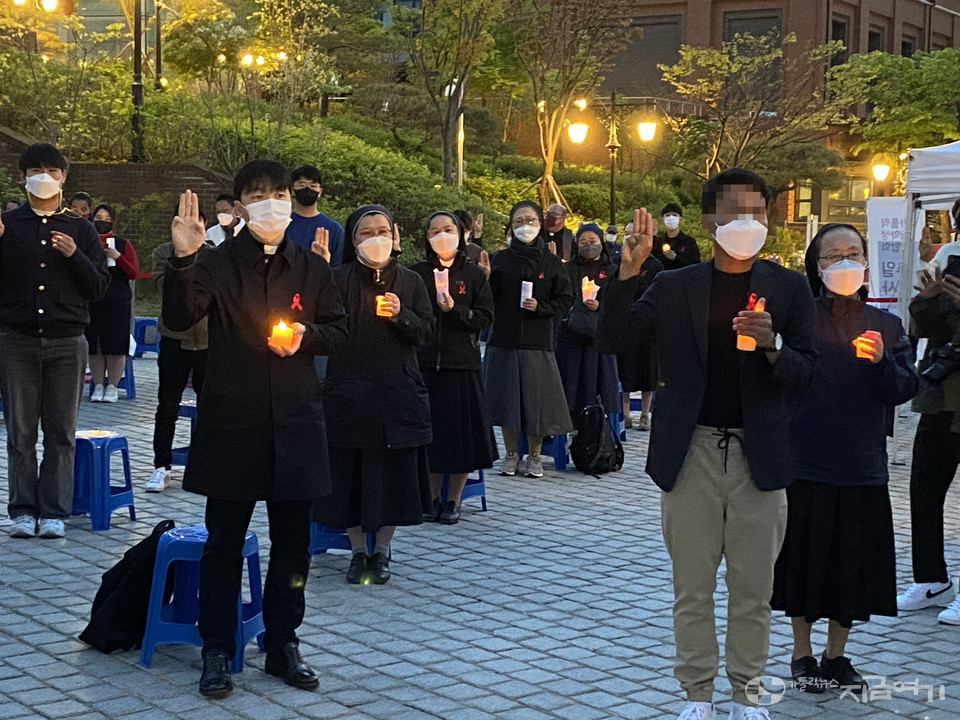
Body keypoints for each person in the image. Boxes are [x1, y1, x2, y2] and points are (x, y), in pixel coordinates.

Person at [597, 168, 817, 720]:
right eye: (734, 211)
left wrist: (774, 345)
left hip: (760, 454)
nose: (748, 222)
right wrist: (626, 269)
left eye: (758, 211)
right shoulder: (675, 286)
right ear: (707, 221)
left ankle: (747, 695)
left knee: (753, 591)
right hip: (690, 449)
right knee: (691, 588)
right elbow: (613, 339)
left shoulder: (787, 287)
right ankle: (697, 696)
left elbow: (808, 373)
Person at [163, 160, 348, 698]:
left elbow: (337, 329)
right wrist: (184, 257)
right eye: (258, 194)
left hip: (296, 420)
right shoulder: (217, 265)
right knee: (223, 541)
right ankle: (218, 646)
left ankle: (283, 640)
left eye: (279, 193)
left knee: (293, 543)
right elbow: (179, 319)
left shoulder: (312, 268)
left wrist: (306, 335)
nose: (271, 202)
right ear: (241, 205)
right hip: (233, 422)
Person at [771, 223, 917, 694]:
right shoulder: (799, 317)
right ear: (816, 266)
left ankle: (836, 655)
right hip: (805, 458)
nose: (844, 263)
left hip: (861, 465)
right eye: (832, 256)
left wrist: (883, 363)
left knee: (849, 565)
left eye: (853, 253)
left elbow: (903, 390)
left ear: (868, 262)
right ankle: (801, 652)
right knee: (801, 560)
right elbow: (784, 376)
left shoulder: (887, 325)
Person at [316, 204, 435, 584]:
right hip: (348, 392)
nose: (375, 239)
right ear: (353, 241)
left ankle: (381, 550)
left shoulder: (412, 281)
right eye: (366, 233)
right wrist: (316, 274)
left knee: (391, 476)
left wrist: (402, 315)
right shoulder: (336, 278)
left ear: (395, 236)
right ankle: (356, 551)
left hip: (396, 391)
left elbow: (427, 332)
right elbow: (321, 328)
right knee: (348, 475)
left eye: (382, 231)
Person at [0, 143, 110, 539]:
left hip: (67, 341)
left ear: (64, 176)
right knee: (21, 431)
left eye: (52, 170)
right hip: (17, 340)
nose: (44, 176)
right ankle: (22, 510)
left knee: (61, 432)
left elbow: (99, 286)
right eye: (35, 170)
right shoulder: (8, 224)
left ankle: (54, 511)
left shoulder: (81, 227)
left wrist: (75, 255)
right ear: (23, 177)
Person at [410, 211, 496, 524]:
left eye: (448, 229)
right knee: (430, 435)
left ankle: (453, 499)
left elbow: (485, 317)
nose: (442, 235)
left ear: (460, 233)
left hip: (461, 364)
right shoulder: (416, 273)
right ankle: (430, 496)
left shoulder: (472, 274)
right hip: (425, 364)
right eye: (435, 230)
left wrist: (455, 310)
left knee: (461, 437)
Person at [485, 201, 574, 478]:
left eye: (531, 220)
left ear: (540, 224)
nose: (526, 226)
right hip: (505, 337)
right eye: (519, 221)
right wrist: (485, 279)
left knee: (536, 402)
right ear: (511, 227)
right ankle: (511, 455)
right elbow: (488, 299)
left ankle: (534, 456)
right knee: (508, 399)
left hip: (537, 340)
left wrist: (542, 307)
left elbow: (566, 298)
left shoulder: (550, 262)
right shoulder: (500, 259)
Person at [897, 246, 960, 624]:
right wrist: (927, 299)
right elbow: (921, 332)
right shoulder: (950, 266)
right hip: (940, 399)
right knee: (923, 489)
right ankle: (931, 579)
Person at [146, 206, 210, 492]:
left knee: (211, 407)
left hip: (209, 342)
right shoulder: (163, 252)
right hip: (174, 340)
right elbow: (164, 287)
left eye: (196, 221)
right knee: (167, 406)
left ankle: (207, 463)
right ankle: (161, 465)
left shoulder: (215, 254)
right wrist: (183, 258)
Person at [555, 223, 621, 421]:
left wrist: (599, 306)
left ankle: (597, 426)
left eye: (593, 241)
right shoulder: (567, 269)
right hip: (571, 337)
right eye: (583, 242)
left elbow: (619, 302)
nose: (588, 246)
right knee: (571, 390)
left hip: (599, 339)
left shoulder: (612, 270)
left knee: (597, 389)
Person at [85, 204, 138, 403]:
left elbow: (133, 272)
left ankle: (113, 386)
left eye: (107, 218)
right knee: (95, 345)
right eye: (99, 217)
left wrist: (118, 257)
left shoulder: (123, 244)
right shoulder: (88, 242)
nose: (102, 221)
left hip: (117, 300)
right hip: (94, 298)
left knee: (116, 345)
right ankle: (98, 384)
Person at [615, 220, 663, 431]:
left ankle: (645, 413)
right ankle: (625, 412)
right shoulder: (618, 260)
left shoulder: (654, 264)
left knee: (648, 369)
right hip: (625, 320)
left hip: (648, 324)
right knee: (626, 367)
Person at [286, 164, 345, 267]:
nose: (308, 189)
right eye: (302, 185)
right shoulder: (280, 223)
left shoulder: (334, 229)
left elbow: (339, 269)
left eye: (313, 186)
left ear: (320, 192)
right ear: (292, 190)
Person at [651, 203, 701, 271]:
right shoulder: (658, 242)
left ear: (680, 219)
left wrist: (676, 258)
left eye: (674, 215)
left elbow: (696, 266)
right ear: (663, 219)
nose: (671, 218)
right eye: (667, 215)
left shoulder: (688, 241)